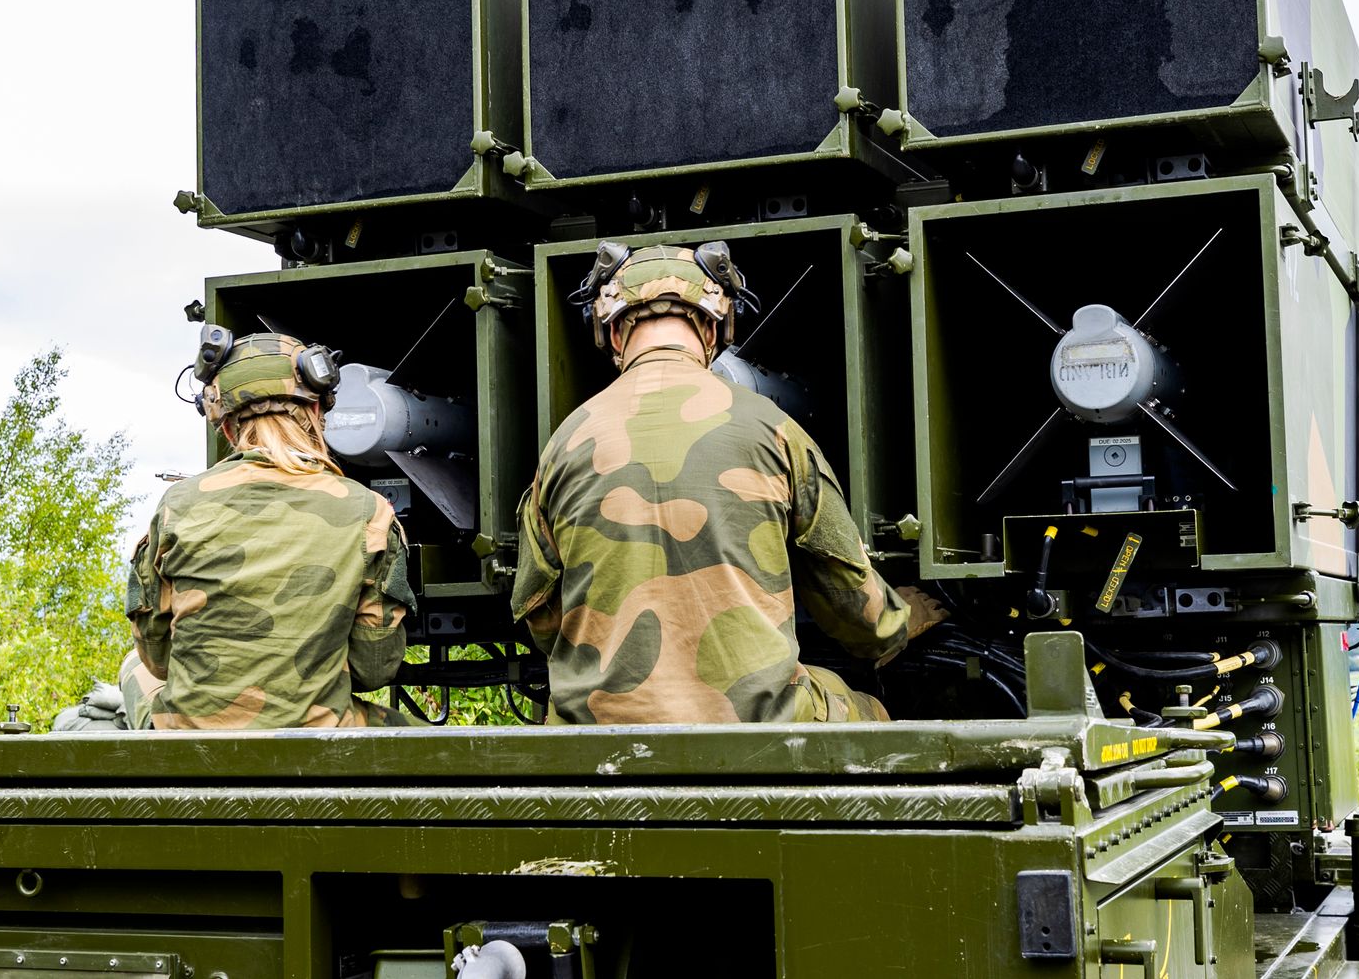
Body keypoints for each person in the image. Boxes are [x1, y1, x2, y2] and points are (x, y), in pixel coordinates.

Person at [514, 242, 942, 724]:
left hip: (596, 732)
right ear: (715, 327)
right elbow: (853, 604)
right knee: (871, 714)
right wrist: (901, 621)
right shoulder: (772, 429)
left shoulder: (563, 444)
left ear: (613, 333)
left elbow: (542, 616)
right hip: (755, 727)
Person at [125, 329, 417, 728]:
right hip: (318, 745)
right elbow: (375, 667)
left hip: (192, 752)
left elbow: (157, 660)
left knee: (133, 670)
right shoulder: (370, 513)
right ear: (316, 415)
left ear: (227, 428)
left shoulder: (177, 506)